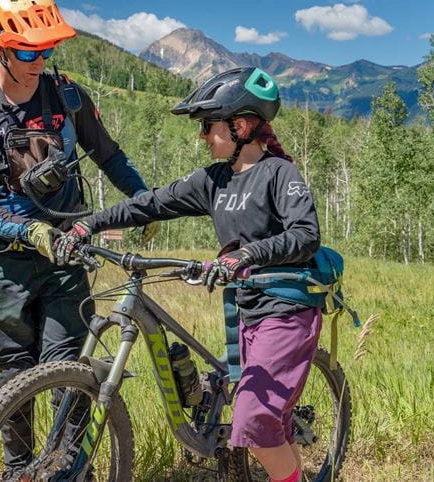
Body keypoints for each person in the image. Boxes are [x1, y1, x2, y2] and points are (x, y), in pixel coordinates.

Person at [54, 67, 320, 482]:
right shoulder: (214, 180)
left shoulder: (279, 174)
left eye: (208, 127)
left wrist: (246, 254)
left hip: (287, 310)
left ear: (242, 125)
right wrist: (92, 223)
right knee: (270, 424)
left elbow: (305, 235)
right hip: (249, 311)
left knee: (252, 419)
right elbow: (151, 203)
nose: (202, 137)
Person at [0, 0, 158, 477]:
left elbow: (109, 155)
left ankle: (65, 469)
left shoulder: (67, 97)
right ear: (1, 46)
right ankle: (17, 470)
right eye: (26, 49)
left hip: (67, 257)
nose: (38, 58)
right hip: (5, 263)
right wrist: (28, 232)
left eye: (46, 47)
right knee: (15, 373)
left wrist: (144, 200)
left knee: (71, 369)